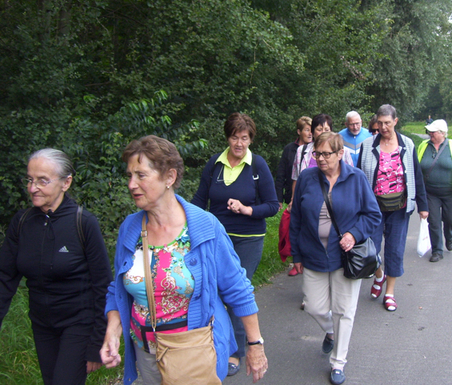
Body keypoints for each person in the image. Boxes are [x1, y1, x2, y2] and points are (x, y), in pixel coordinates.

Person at [100, 135, 268, 384]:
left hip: (192, 353)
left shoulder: (203, 227)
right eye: (129, 176)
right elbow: (117, 288)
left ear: (169, 177)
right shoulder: (130, 229)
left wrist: (255, 344)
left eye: (141, 175)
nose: (131, 184)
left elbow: (238, 288)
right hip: (144, 353)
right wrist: (113, 330)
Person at [0, 148, 112, 385]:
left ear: (66, 183)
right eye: (30, 180)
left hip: (78, 324)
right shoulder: (22, 223)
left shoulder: (83, 223)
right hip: (42, 324)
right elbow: (5, 277)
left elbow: (103, 284)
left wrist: (96, 342)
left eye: (42, 181)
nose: (32, 188)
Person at [290, 132, 381, 385]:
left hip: (345, 258)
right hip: (312, 255)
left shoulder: (356, 179)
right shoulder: (307, 178)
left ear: (341, 154)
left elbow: (373, 215)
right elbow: (295, 217)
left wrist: (353, 234)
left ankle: (338, 362)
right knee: (314, 306)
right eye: (317, 154)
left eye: (326, 154)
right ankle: (331, 331)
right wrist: (296, 253)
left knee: (345, 311)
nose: (320, 159)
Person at [190, 113, 278, 376]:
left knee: (238, 292)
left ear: (251, 139)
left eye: (244, 138)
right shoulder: (214, 165)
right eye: (234, 137)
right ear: (227, 137)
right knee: (213, 292)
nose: (239, 143)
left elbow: (272, 205)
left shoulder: (258, 166)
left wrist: (246, 210)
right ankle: (212, 342)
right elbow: (199, 200)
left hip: (248, 239)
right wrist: (184, 224)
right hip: (216, 240)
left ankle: (235, 350)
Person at [358, 104, 429, 312]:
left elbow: (416, 175)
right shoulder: (367, 145)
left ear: (395, 122)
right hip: (373, 209)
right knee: (371, 248)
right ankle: (378, 275)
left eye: (387, 123)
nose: (383, 127)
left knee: (395, 250)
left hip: (400, 207)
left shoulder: (407, 144)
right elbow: (359, 178)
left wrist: (423, 206)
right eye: (379, 123)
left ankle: (389, 292)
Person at [417, 119, 452, 262]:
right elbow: (417, 167)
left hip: (450, 193)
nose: (430, 134)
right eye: (429, 131)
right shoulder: (424, 146)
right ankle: (437, 250)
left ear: (442, 133)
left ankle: (449, 235)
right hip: (430, 193)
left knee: (450, 219)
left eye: (433, 132)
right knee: (434, 221)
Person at [290, 114, 353, 202]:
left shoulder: (342, 151)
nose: (323, 132)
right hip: (307, 200)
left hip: (337, 199)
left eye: (326, 129)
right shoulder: (301, 151)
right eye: (319, 129)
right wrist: (293, 199)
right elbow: (296, 178)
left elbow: (351, 177)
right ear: (313, 132)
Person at [275, 116, 312, 211]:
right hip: (291, 196)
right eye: (307, 130)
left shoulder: (316, 149)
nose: (310, 134)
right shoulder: (289, 149)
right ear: (299, 132)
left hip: (310, 195)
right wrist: (278, 198)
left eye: (312, 130)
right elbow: (281, 174)